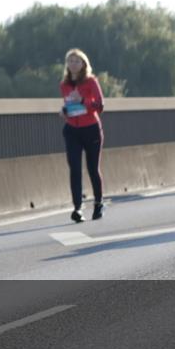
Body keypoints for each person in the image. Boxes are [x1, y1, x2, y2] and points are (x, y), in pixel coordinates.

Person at [60, 48, 105, 222]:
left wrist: (83, 101)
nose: (73, 64)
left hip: (91, 128)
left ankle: (99, 203)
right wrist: (64, 110)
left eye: (77, 61)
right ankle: (77, 208)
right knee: (75, 170)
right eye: (70, 61)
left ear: (84, 64)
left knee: (93, 169)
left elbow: (100, 106)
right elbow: (69, 105)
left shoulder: (91, 82)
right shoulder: (64, 84)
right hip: (72, 130)